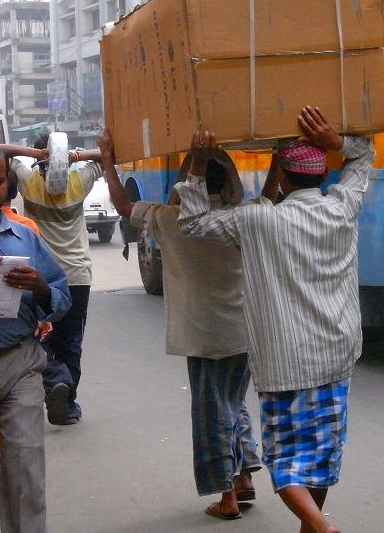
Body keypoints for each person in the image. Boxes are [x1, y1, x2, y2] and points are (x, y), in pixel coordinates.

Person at [176, 106, 374, 533]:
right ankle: (314, 525)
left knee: (285, 462)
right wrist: (338, 142)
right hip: (336, 357)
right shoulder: (343, 208)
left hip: (285, 364)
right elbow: (363, 156)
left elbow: (192, 223)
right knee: (321, 457)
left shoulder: (257, 220)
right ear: (324, 174)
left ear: (282, 177)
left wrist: (197, 165)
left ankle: (320, 526)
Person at [98, 130, 263, 521]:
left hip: (203, 335)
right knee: (233, 401)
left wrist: (107, 160)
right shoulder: (246, 217)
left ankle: (227, 495)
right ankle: (243, 475)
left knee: (212, 411)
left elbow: (122, 204)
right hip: (244, 331)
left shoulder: (170, 220)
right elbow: (268, 195)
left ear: (188, 181)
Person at [0, 142, 71, 533]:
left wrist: (40, 287)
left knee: (26, 476)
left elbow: (61, 296)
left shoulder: (26, 237)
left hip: (19, 365)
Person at [0, 135, 103, 426]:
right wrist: (75, 157)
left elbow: (0, 150)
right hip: (77, 276)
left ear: (40, 158)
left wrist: (37, 154)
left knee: (37, 337)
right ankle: (67, 405)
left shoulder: (29, 181)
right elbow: (108, 156)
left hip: (42, 278)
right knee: (71, 342)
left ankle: (55, 377)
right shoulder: (79, 182)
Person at [0, 170, 53, 465]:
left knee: (26, 470)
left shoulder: (25, 233)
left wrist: (41, 292)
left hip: (19, 349)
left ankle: (1, 438)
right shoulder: (27, 224)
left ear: (7, 190)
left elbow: (47, 281)